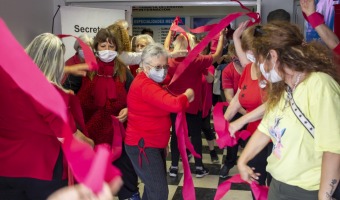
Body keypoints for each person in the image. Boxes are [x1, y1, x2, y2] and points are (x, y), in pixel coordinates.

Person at [237, 21, 340, 200]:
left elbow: (333, 149)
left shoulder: (319, 85)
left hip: (308, 191)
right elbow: (265, 129)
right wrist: (242, 160)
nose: (260, 69)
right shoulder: (283, 90)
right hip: (279, 185)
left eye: (261, 62)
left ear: (274, 56)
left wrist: (324, 196)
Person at [0, 33, 89, 200]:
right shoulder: (52, 95)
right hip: (43, 172)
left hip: (6, 169)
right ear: (57, 63)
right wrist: (91, 144)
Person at [75, 28, 139, 200]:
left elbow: (136, 96)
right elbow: (69, 100)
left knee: (126, 178)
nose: (108, 50)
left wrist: (129, 109)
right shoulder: (85, 70)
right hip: (91, 138)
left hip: (119, 136)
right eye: (103, 46)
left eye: (111, 46)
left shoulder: (122, 71)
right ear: (96, 47)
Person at [125, 43, 194, 200]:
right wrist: (188, 94)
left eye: (165, 66)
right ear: (145, 66)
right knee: (159, 193)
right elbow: (174, 104)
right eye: (158, 67)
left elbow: (167, 78)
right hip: (143, 145)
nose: (162, 71)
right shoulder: (145, 85)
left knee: (152, 190)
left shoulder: (151, 80)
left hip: (152, 144)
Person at [164, 26, 225, 178]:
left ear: (176, 45)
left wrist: (171, 31)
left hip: (174, 105)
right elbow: (217, 55)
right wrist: (222, 36)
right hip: (192, 106)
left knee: (176, 136)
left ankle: (173, 166)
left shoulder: (169, 59)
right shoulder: (197, 61)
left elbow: (165, 47)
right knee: (196, 135)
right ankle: (198, 167)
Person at [222, 21, 272, 189]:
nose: (248, 55)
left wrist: (241, 121)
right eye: (246, 51)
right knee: (255, 183)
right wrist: (224, 122)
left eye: (252, 51)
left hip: (275, 137)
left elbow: (272, 104)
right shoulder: (248, 68)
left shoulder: (274, 72)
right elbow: (237, 98)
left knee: (273, 185)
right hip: (254, 137)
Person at [219, 43, 247, 178]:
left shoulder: (254, 68)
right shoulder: (228, 71)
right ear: (232, 57)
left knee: (252, 140)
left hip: (254, 108)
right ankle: (229, 164)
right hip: (236, 110)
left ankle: (251, 165)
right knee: (233, 141)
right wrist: (247, 115)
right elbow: (230, 98)